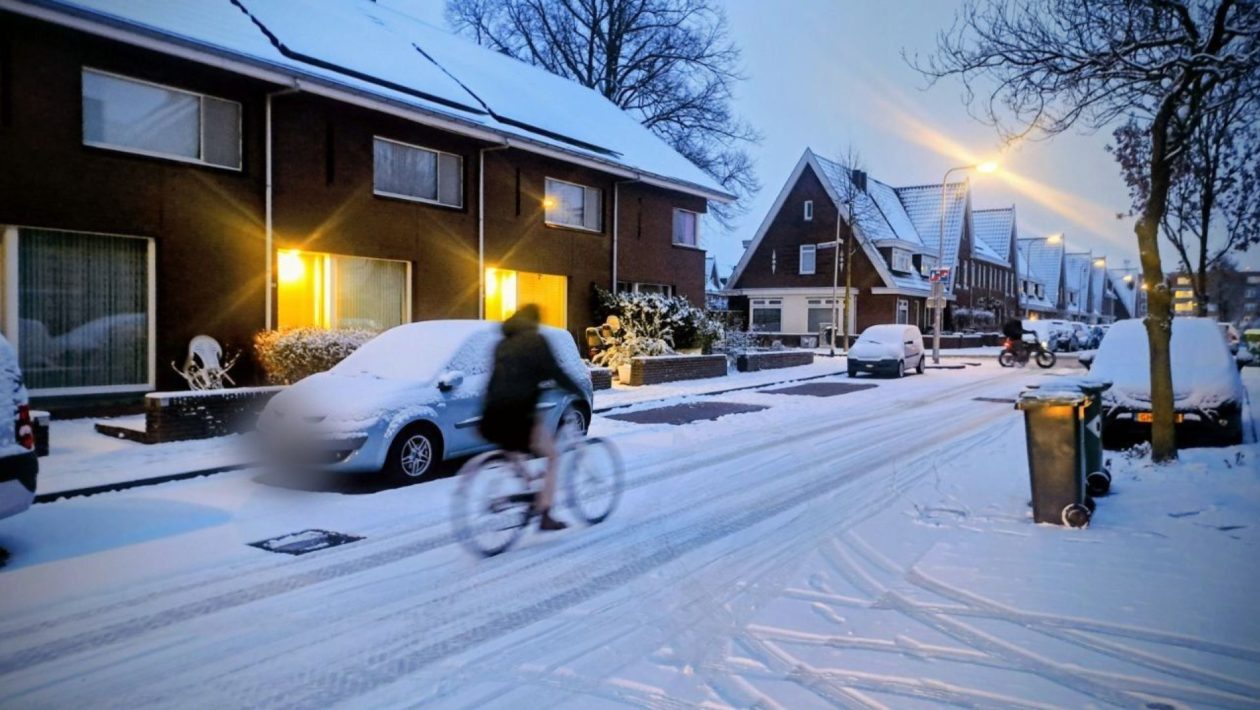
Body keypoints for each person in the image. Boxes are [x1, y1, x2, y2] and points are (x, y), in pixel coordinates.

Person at [479, 304, 585, 531]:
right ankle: (544, 512)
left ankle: (526, 491)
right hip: (520, 413)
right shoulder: (536, 341)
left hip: (492, 414)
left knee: (515, 451)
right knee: (553, 456)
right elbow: (556, 372)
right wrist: (575, 390)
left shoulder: (502, 344)